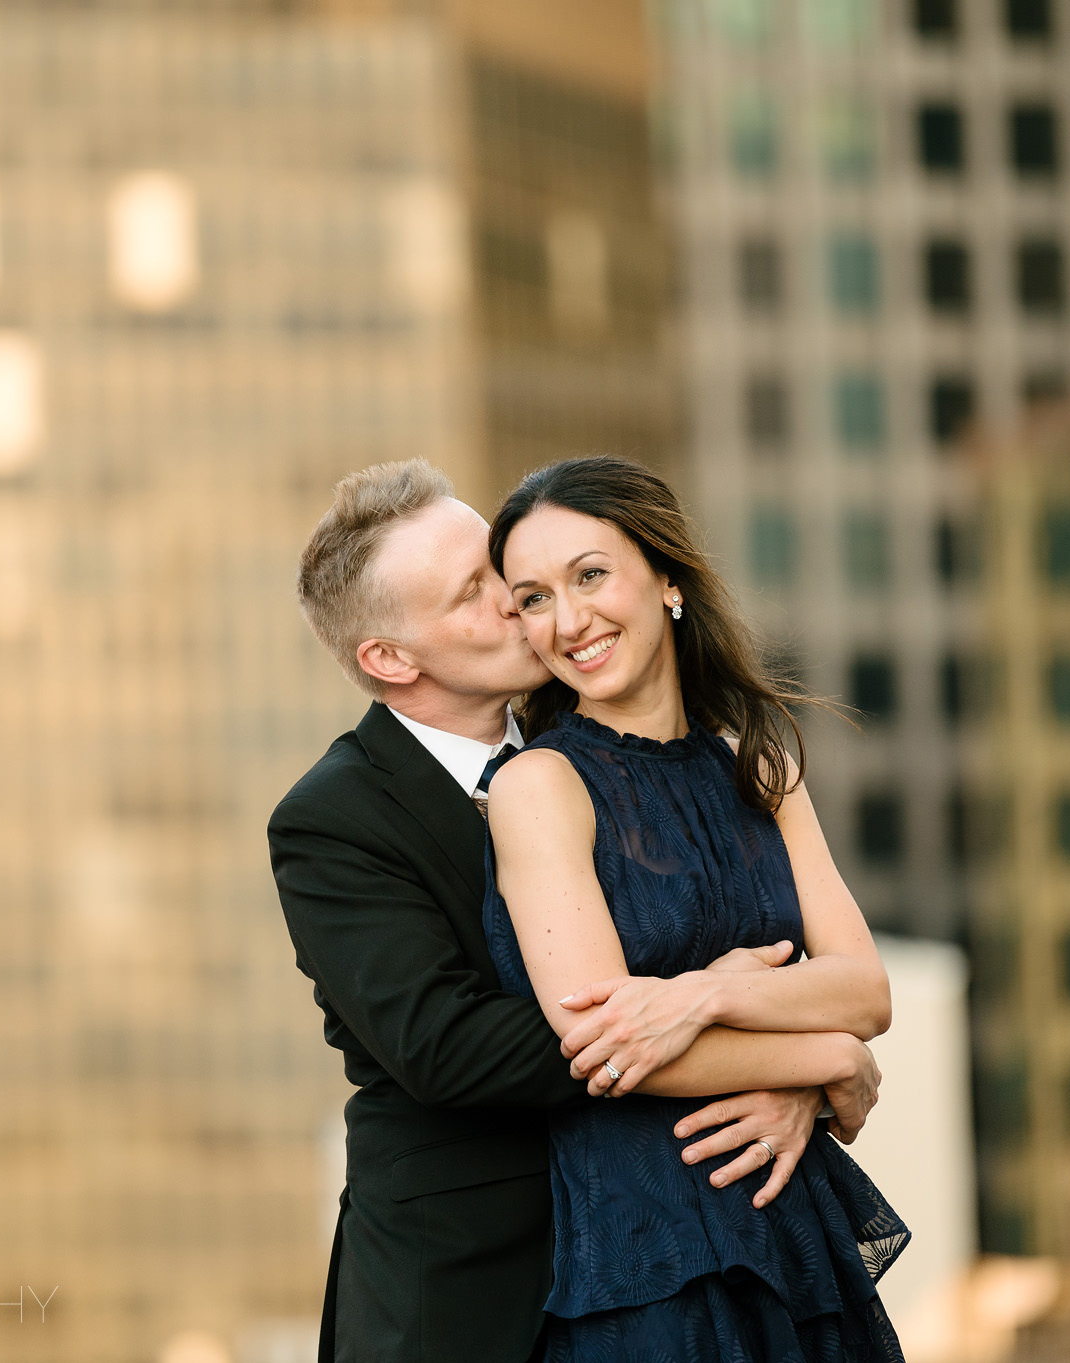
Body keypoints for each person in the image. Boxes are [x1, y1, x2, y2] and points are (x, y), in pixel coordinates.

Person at [268, 460, 887, 1363]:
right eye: (480, 592)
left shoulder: (611, 750)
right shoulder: (332, 818)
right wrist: (779, 1042)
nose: (525, 606)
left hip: (703, 1225)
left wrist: (779, 1069)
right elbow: (443, 1045)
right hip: (465, 1286)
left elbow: (829, 974)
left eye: (508, 575)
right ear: (391, 659)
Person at [482, 455, 909, 1361]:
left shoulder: (761, 766)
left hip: (791, 1239)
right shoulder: (540, 786)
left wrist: (700, 997)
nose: (569, 620)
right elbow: (609, 1045)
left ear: (667, 577)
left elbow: (865, 989)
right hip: (648, 1263)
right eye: (532, 597)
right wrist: (821, 1057)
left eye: (591, 575)